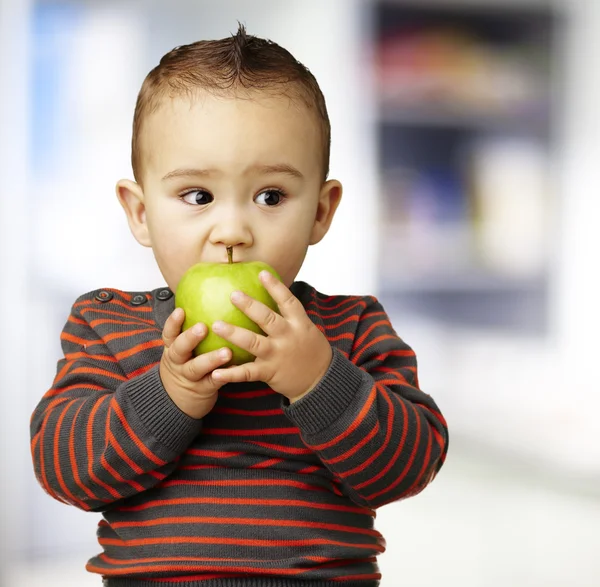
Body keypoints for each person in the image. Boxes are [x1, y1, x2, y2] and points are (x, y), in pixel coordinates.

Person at [30, 24, 448, 587]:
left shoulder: (351, 329)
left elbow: (409, 466)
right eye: (197, 196)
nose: (232, 231)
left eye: (270, 196)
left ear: (321, 212)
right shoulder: (105, 324)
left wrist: (318, 379)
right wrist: (170, 394)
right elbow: (64, 469)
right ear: (140, 212)